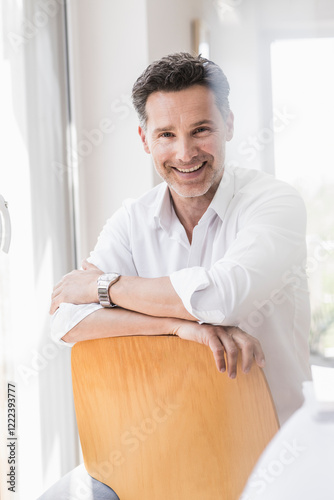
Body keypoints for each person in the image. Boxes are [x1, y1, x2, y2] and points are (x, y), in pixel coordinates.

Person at [41, 52, 311, 499]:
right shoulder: (132, 219)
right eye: (166, 134)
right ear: (145, 139)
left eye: (200, 130)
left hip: (271, 455)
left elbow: (222, 298)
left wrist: (103, 287)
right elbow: (65, 320)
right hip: (157, 451)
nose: (185, 153)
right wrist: (179, 327)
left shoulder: (275, 203)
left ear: (228, 124)